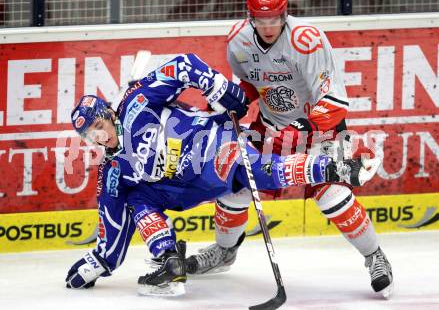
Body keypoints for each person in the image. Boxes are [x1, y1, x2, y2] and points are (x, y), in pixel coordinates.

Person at [65, 53, 379, 297]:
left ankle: (336, 168)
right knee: (134, 198)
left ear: (108, 115)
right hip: (187, 188)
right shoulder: (114, 171)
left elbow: (183, 65)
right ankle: (169, 258)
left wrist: (219, 88)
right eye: (91, 137)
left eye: (99, 127)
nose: (100, 138)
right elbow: (113, 223)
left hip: (214, 146)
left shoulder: (138, 101)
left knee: (261, 172)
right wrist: (100, 262)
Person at [185, 0, 393, 298]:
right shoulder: (239, 41)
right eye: (261, 19)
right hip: (269, 128)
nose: (268, 26)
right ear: (250, 16)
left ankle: (374, 256)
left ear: (284, 13)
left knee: (330, 195)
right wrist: (231, 100)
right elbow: (250, 84)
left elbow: (335, 99)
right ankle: (225, 251)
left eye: (274, 18)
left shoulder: (306, 41)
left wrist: (301, 126)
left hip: (319, 129)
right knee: (233, 182)